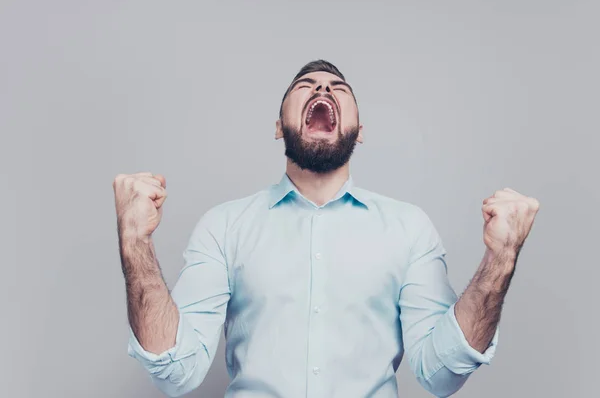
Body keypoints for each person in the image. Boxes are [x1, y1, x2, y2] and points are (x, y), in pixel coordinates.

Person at [112, 60, 540, 398]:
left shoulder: (409, 229)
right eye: (306, 86)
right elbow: (176, 371)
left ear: (360, 132)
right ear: (280, 127)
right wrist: (135, 245)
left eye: (338, 88)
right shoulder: (224, 226)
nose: (322, 90)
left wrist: (499, 262)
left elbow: (441, 374)